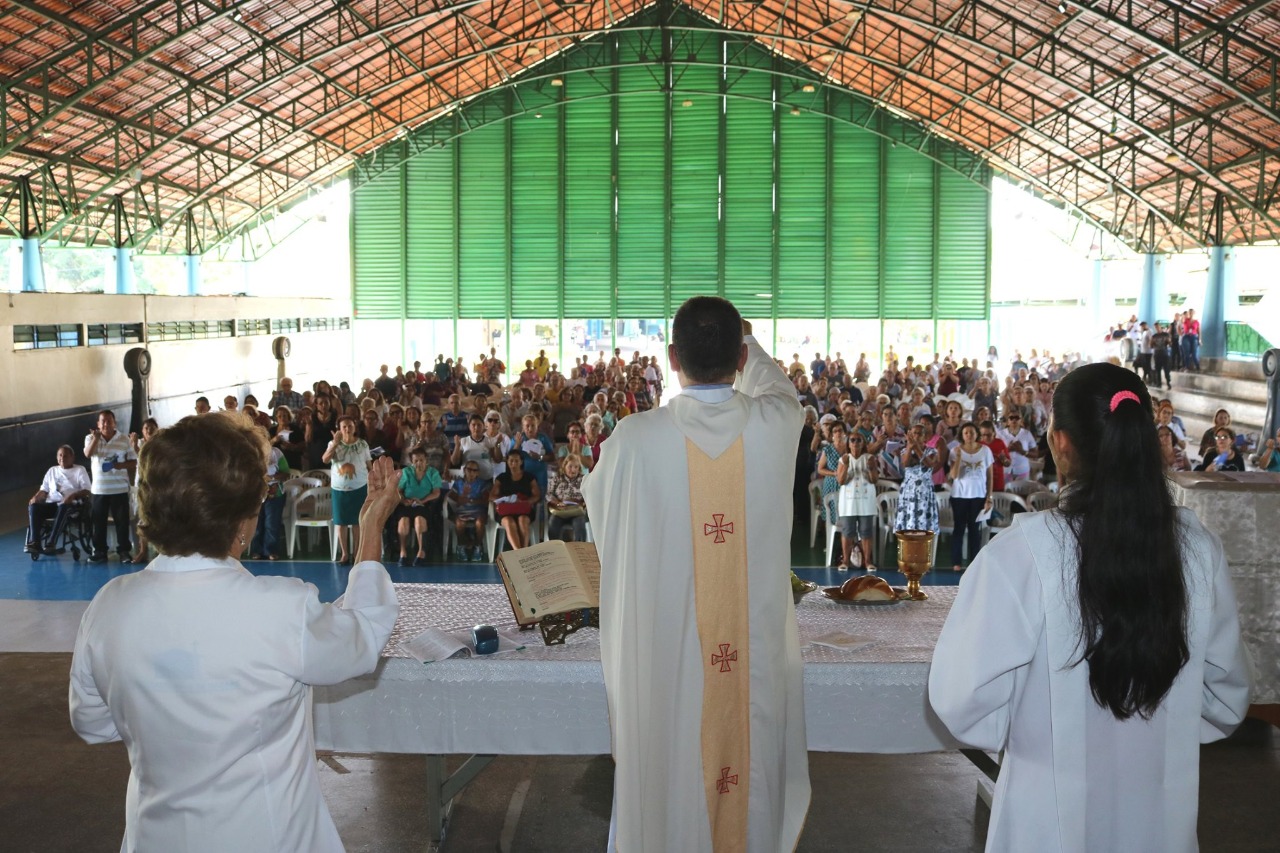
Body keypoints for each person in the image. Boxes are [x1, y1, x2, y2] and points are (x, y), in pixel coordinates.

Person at [928, 363, 1250, 852]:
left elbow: (959, 699)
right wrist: (1167, 719)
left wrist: (1035, 727)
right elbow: (1226, 697)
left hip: (1045, 817)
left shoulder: (1020, 555)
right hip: (1159, 817)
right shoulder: (1198, 550)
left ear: (1060, 443)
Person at [69, 412, 400, 853]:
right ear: (241, 521)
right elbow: (364, 635)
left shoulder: (109, 605)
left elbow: (92, 723)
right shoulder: (280, 609)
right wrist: (371, 526)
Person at [583, 297, 809, 852]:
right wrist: (750, 343)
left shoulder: (634, 439)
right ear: (738, 358)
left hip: (670, 662)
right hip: (749, 664)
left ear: (671, 357)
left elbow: (601, 516)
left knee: (669, 773)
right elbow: (783, 389)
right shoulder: (776, 424)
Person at [84, 410, 136, 564]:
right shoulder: (90, 438)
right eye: (103, 421)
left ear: (115, 423)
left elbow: (134, 461)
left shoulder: (124, 439)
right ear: (98, 424)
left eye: (109, 421)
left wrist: (120, 465)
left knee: (122, 522)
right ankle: (100, 551)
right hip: (99, 489)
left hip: (119, 488)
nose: (106, 424)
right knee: (99, 522)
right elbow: (88, 454)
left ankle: (124, 551)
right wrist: (95, 439)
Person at [322, 416, 372, 565]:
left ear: (355, 427)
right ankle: (344, 553)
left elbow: (369, 464)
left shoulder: (362, 444)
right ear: (339, 429)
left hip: (360, 487)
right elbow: (325, 459)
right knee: (341, 522)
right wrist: (335, 443)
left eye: (350, 426)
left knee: (357, 522)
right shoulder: (333, 443)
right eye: (344, 426)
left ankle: (357, 553)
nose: (347, 429)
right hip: (339, 488)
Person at [26, 445, 91, 555]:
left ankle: (51, 543)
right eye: (60, 455)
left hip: (71, 505)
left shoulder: (79, 470)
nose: (62, 458)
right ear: (57, 458)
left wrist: (73, 496)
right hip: (52, 504)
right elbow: (44, 490)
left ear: (72, 457)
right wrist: (36, 497)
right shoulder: (52, 470)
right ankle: (35, 543)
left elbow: (87, 490)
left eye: (66, 455)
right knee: (34, 507)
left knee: (63, 507)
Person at [947, 422, 994, 570]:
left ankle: (975, 562)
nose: (969, 435)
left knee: (975, 530)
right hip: (959, 496)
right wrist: (959, 456)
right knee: (959, 528)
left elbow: (990, 476)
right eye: (966, 432)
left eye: (972, 432)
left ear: (976, 434)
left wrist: (989, 497)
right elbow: (954, 476)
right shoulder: (955, 451)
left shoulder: (985, 450)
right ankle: (956, 562)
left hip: (978, 496)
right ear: (962, 435)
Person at [834, 433, 878, 571]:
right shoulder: (844, 459)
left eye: (859, 440)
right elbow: (840, 481)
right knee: (848, 531)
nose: (855, 443)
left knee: (866, 531)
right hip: (848, 502)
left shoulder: (870, 458)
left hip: (866, 501)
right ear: (848, 443)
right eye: (852, 440)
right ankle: (845, 561)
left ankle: (867, 561)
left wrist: (871, 468)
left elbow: (874, 480)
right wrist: (846, 465)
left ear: (863, 443)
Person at [395, 447, 442, 566]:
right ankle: (403, 552)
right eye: (416, 461)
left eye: (421, 460)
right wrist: (404, 500)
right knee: (403, 522)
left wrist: (422, 500)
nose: (419, 463)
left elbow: (436, 492)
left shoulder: (433, 473)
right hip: (407, 505)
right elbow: (398, 491)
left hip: (425, 505)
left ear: (426, 460)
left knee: (419, 520)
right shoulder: (406, 472)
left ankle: (421, 552)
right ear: (412, 461)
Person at [249, 425, 290, 561]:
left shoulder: (276, 453)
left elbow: (285, 473)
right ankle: (256, 550)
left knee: (272, 524)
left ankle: (270, 550)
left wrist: (272, 479)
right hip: (256, 494)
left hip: (275, 493)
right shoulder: (251, 453)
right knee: (257, 524)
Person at [491, 449, 540, 551]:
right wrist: (506, 499)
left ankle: (524, 551)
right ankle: (518, 552)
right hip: (506, 510)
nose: (513, 463)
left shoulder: (529, 477)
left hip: (524, 509)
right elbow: (492, 496)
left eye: (516, 461)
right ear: (507, 462)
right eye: (511, 461)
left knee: (522, 520)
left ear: (521, 462)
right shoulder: (502, 477)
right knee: (509, 522)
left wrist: (525, 502)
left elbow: (536, 495)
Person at [447, 462, 489, 561]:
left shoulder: (482, 484)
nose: (471, 472)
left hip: (478, 511)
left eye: (474, 470)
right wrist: (462, 497)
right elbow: (452, 497)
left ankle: (478, 546)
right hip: (462, 511)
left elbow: (486, 500)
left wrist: (471, 500)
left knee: (479, 523)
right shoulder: (459, 483)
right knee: (459, 523)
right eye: (469, 469)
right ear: (464, 470)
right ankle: (462, 546)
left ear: (478, 473)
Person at [546, 454, 588, 542]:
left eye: (576, 467)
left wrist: (583, 503)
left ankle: (580, 551)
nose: (573, 469)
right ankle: (555, 550)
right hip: (560, 510)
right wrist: (557, 502)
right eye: (570, 466)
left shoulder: (583, 479)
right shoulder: (557, 478)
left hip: (577, 511)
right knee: (553, 523)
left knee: (580, 524)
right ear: (564, 466)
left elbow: (588, 495)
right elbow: (548, 494)